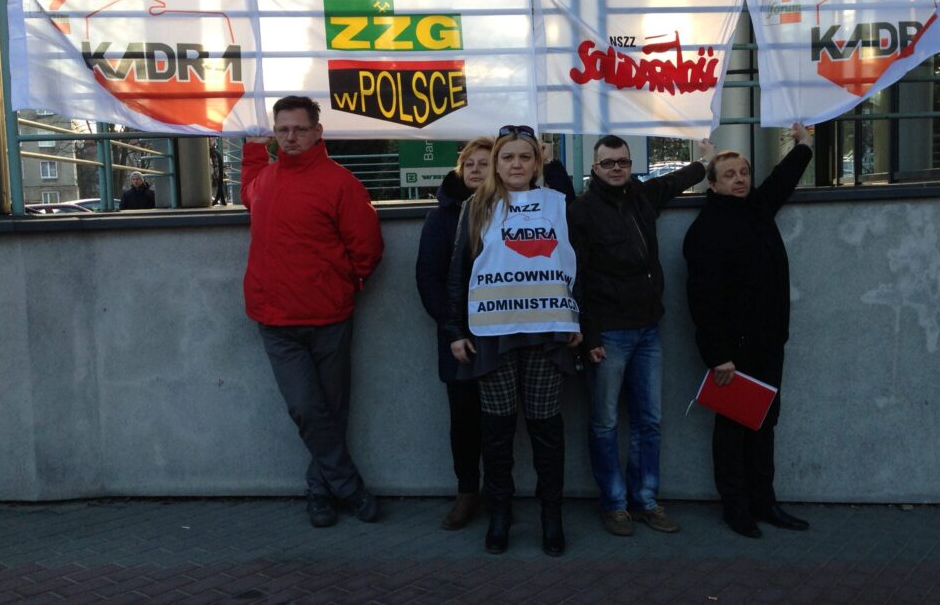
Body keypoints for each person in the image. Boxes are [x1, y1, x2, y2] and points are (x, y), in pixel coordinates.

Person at [416, 138, 576, 532]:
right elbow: (451, 276)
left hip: (545, 333)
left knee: (545, 430)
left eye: (525, 157)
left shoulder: (557, 204)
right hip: (491, 335)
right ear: (497, 166)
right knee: (496, 430)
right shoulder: (473, 209)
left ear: (537, 162)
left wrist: (577, 320)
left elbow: (576, 264)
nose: (516, 164)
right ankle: (498, 514)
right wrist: (454, 330)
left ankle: (550, 516)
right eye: (508, 158)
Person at [241, 96, 384, 528]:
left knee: (331, 411)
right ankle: (349, 487)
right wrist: (251, 149)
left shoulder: (341, 183)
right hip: (275, 320)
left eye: (299, 129)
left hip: (328, 317)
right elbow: (248, 191)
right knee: (307, 408)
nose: (290, 137)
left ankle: (320, 492)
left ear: (317, 132)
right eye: (282, 129)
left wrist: (342, 284)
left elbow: (368, 249)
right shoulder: (265, 179)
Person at [568, 135, 708, 537]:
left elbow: (675, 182)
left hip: (648, 330)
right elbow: (577, 280)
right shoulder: (581, 211)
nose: (616, 168)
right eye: (608, 163)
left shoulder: (642, 196)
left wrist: (704, 163)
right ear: (594, 168)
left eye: (623, 162)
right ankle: (614, 505)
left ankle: (646, 502)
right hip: (607, 335)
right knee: (605, 423)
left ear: (631, 166)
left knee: (650, 421)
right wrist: (589, 334)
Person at [682, 122, 814, 539]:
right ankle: (735, 508)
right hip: (731, 353)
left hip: (769, 343)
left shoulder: (757, 208)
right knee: (733, 428)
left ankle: (765, 502)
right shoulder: (704, 230)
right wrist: (718, 354)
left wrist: (805, 145)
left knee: (765, 423)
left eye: (744, 173)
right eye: (730, 175)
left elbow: (783, 179)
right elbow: (702, 300)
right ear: (713, 183)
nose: (739, 180)